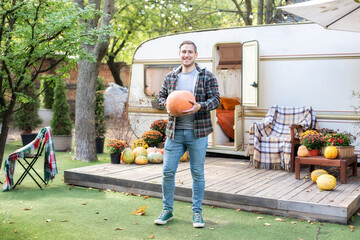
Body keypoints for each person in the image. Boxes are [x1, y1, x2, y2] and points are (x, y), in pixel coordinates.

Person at [154, 40, 220, 228]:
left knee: (197, 173)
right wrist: (168, 105)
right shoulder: (171, 77)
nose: (186, 55)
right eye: (183, 52)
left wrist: (200, 106)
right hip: (174, 133)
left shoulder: (206, 76)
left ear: (196, 55)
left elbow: (216, 100)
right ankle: (167, 210)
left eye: (190, 52)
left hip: (198, 133)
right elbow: (160, 98)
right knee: (167, 171)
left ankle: (197, 213)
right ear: (179, 54)